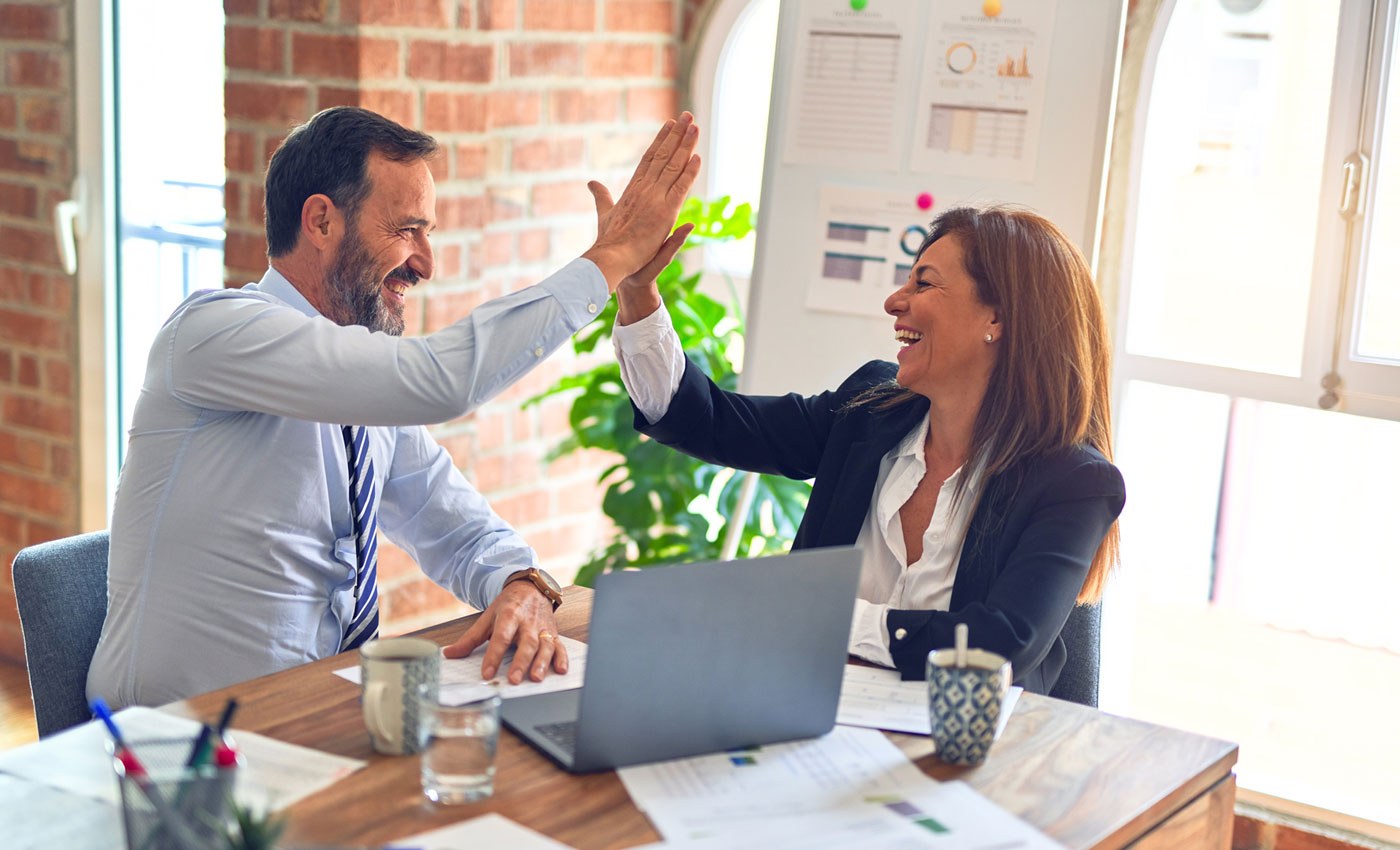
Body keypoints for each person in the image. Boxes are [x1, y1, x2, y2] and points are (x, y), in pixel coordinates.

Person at [89, 106, 701, 708]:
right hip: (174, 746)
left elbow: (456, 526)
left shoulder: (361, 390)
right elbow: (442, 380)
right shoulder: (214, 333)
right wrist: (612, 258)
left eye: (427, 233)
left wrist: (522, 583)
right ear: (322, 221)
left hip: (314, 719)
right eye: (407, 229)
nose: (426, 264)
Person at [612, 205, 1124, 694]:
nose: (894, 301)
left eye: (923, 283)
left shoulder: (1074, 482)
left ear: (997, 318)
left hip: (968, 756)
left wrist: (823, 615)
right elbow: (710, 421)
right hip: (809, 716)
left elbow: (997, 647)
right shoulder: (869, 411)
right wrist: (638, 292)